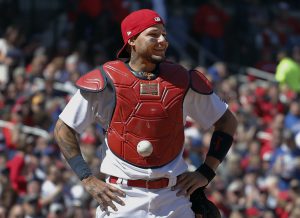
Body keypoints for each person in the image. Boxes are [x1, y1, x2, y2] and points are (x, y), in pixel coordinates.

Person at [54, 9, 237, 218]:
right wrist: (87, 178)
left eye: (164, 35)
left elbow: (226, 122)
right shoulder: (106, 80)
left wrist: (206, 171)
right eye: (153, 34)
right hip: (121, 198)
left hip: (174, 196)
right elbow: (63, 128)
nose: (162, 41)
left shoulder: (181, 79)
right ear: (132, 39)